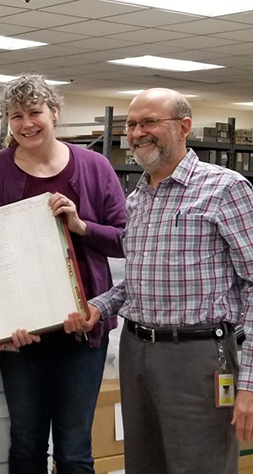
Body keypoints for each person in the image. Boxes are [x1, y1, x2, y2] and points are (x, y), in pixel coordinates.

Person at [65, 88, 253, 474]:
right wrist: (98, 308)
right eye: (132, 124)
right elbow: (138, 276)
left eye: (149, 122)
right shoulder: (138, 198)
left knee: (200, 466)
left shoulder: (225, 189)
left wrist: (249, 382)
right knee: (144, 465)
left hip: (200, 359)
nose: (137, 133)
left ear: (184, 127)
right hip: (138, 351)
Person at [0, 75, 126, 474]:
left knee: (74, 448)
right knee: (26, 441)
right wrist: (4, 322)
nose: (26, 124)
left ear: (55, 113)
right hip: (24, 331)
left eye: (35, 112)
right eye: (16, 116)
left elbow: (127, 240)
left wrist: (81, 226)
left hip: (83, 327)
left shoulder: (95, 166)